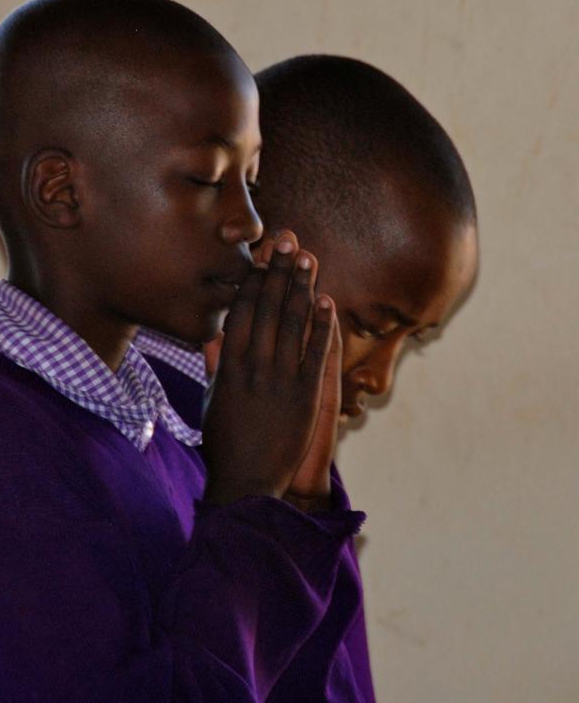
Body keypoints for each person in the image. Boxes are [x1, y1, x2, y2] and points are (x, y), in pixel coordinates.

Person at [0, 0, 363, 702]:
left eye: (250, 181)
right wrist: (245, 498)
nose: (246, 222)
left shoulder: (163, 430)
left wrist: (296, 497)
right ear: (60, 192)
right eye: (207, 179)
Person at [136, 54, 479, 702]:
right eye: (375, 327)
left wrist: (307, 511)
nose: (380, 380)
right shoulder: (137, 448)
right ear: (269, 260)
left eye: (414, 341)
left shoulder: (298, 466)